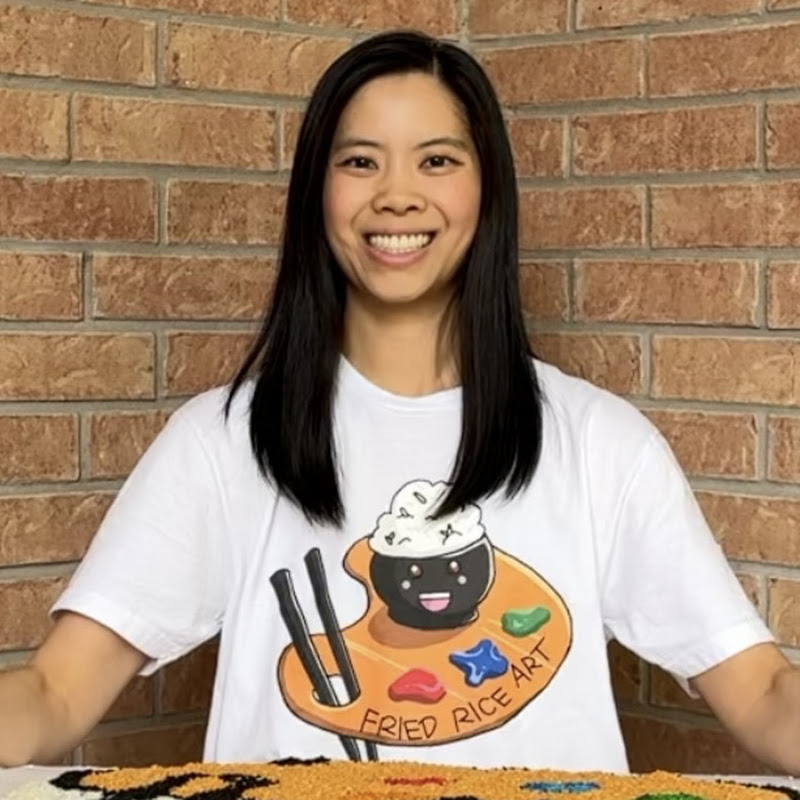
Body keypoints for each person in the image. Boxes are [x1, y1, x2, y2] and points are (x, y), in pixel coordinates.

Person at [1, 30, 798, 774]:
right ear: (317, 191)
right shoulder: (221, 441)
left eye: (437, 161)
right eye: (360, 162)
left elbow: (762, 693)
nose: (397, 196)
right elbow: (56, 694)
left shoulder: (599, 442)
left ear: (487, 187)